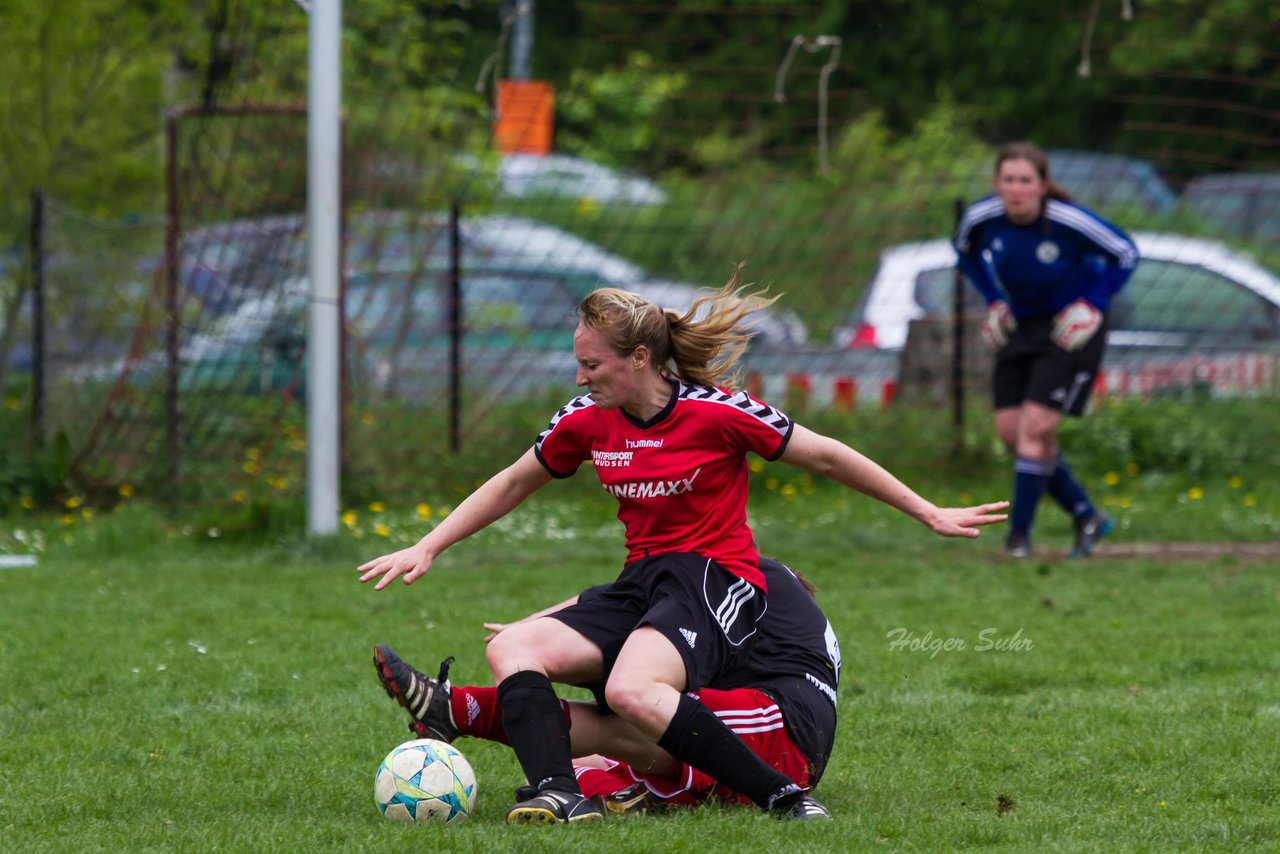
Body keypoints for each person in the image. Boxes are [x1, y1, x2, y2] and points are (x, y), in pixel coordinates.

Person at [358, 276, 1008, 825]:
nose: (581, 377)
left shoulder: (718, 412)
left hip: (714, 579)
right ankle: (560, 791)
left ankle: (783, 798)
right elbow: (512, 481)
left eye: (593, 364)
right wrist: (431, 543)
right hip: (644, 580)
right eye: (578, 363)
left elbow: (830, 456)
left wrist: (926, 510)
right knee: (514, 649)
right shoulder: (585, 418)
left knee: (633, 691)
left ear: (640, 357)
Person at [372, 557, 841, 816]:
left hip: (785, 727)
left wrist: (534, 630)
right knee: (629, 712)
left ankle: (455, 709)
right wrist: (528, 635)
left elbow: (621, 607)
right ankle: (451, 710)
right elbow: (614, 600)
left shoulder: (741, 574)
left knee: (638, 707)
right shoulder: (705, 573)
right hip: (760, 722)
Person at [954, 142, 1137, 559]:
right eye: (1008, 180)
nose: (1016, 189)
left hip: (1069, 329)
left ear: (1042, 185)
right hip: (1020, 325)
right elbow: (964, 253)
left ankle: (1018, 538)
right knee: (1010, 432)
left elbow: (1125, 253)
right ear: (997, 184)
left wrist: (1092, 303)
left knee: (1035, 429)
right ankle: (1085, 514)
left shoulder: (1067, 221)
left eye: (1025, 180)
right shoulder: (983, 219)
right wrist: (994, 300)